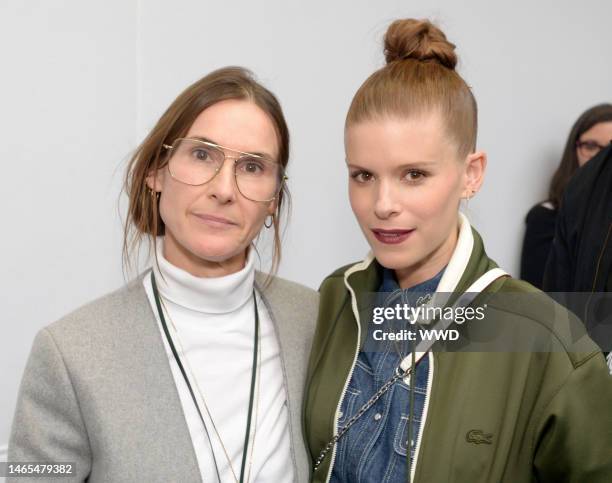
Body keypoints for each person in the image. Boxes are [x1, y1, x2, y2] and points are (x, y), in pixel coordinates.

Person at [303, 19, 612, 483]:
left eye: (414, 175)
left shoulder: (548, 341)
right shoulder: (333, 301)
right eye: (363, 175)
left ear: (472, 174)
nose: (383, 206)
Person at [8, 67, 318, 483]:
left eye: (251, 166)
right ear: (156, 171)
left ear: (273, 200)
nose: (224, 189)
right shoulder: (69, 352)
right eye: (202, 154)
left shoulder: (319, 320)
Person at [520, 104, 612, 289]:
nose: (600, 159)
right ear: (574, 148)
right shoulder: (545, 216)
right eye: (592, 146)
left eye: (608, 150)